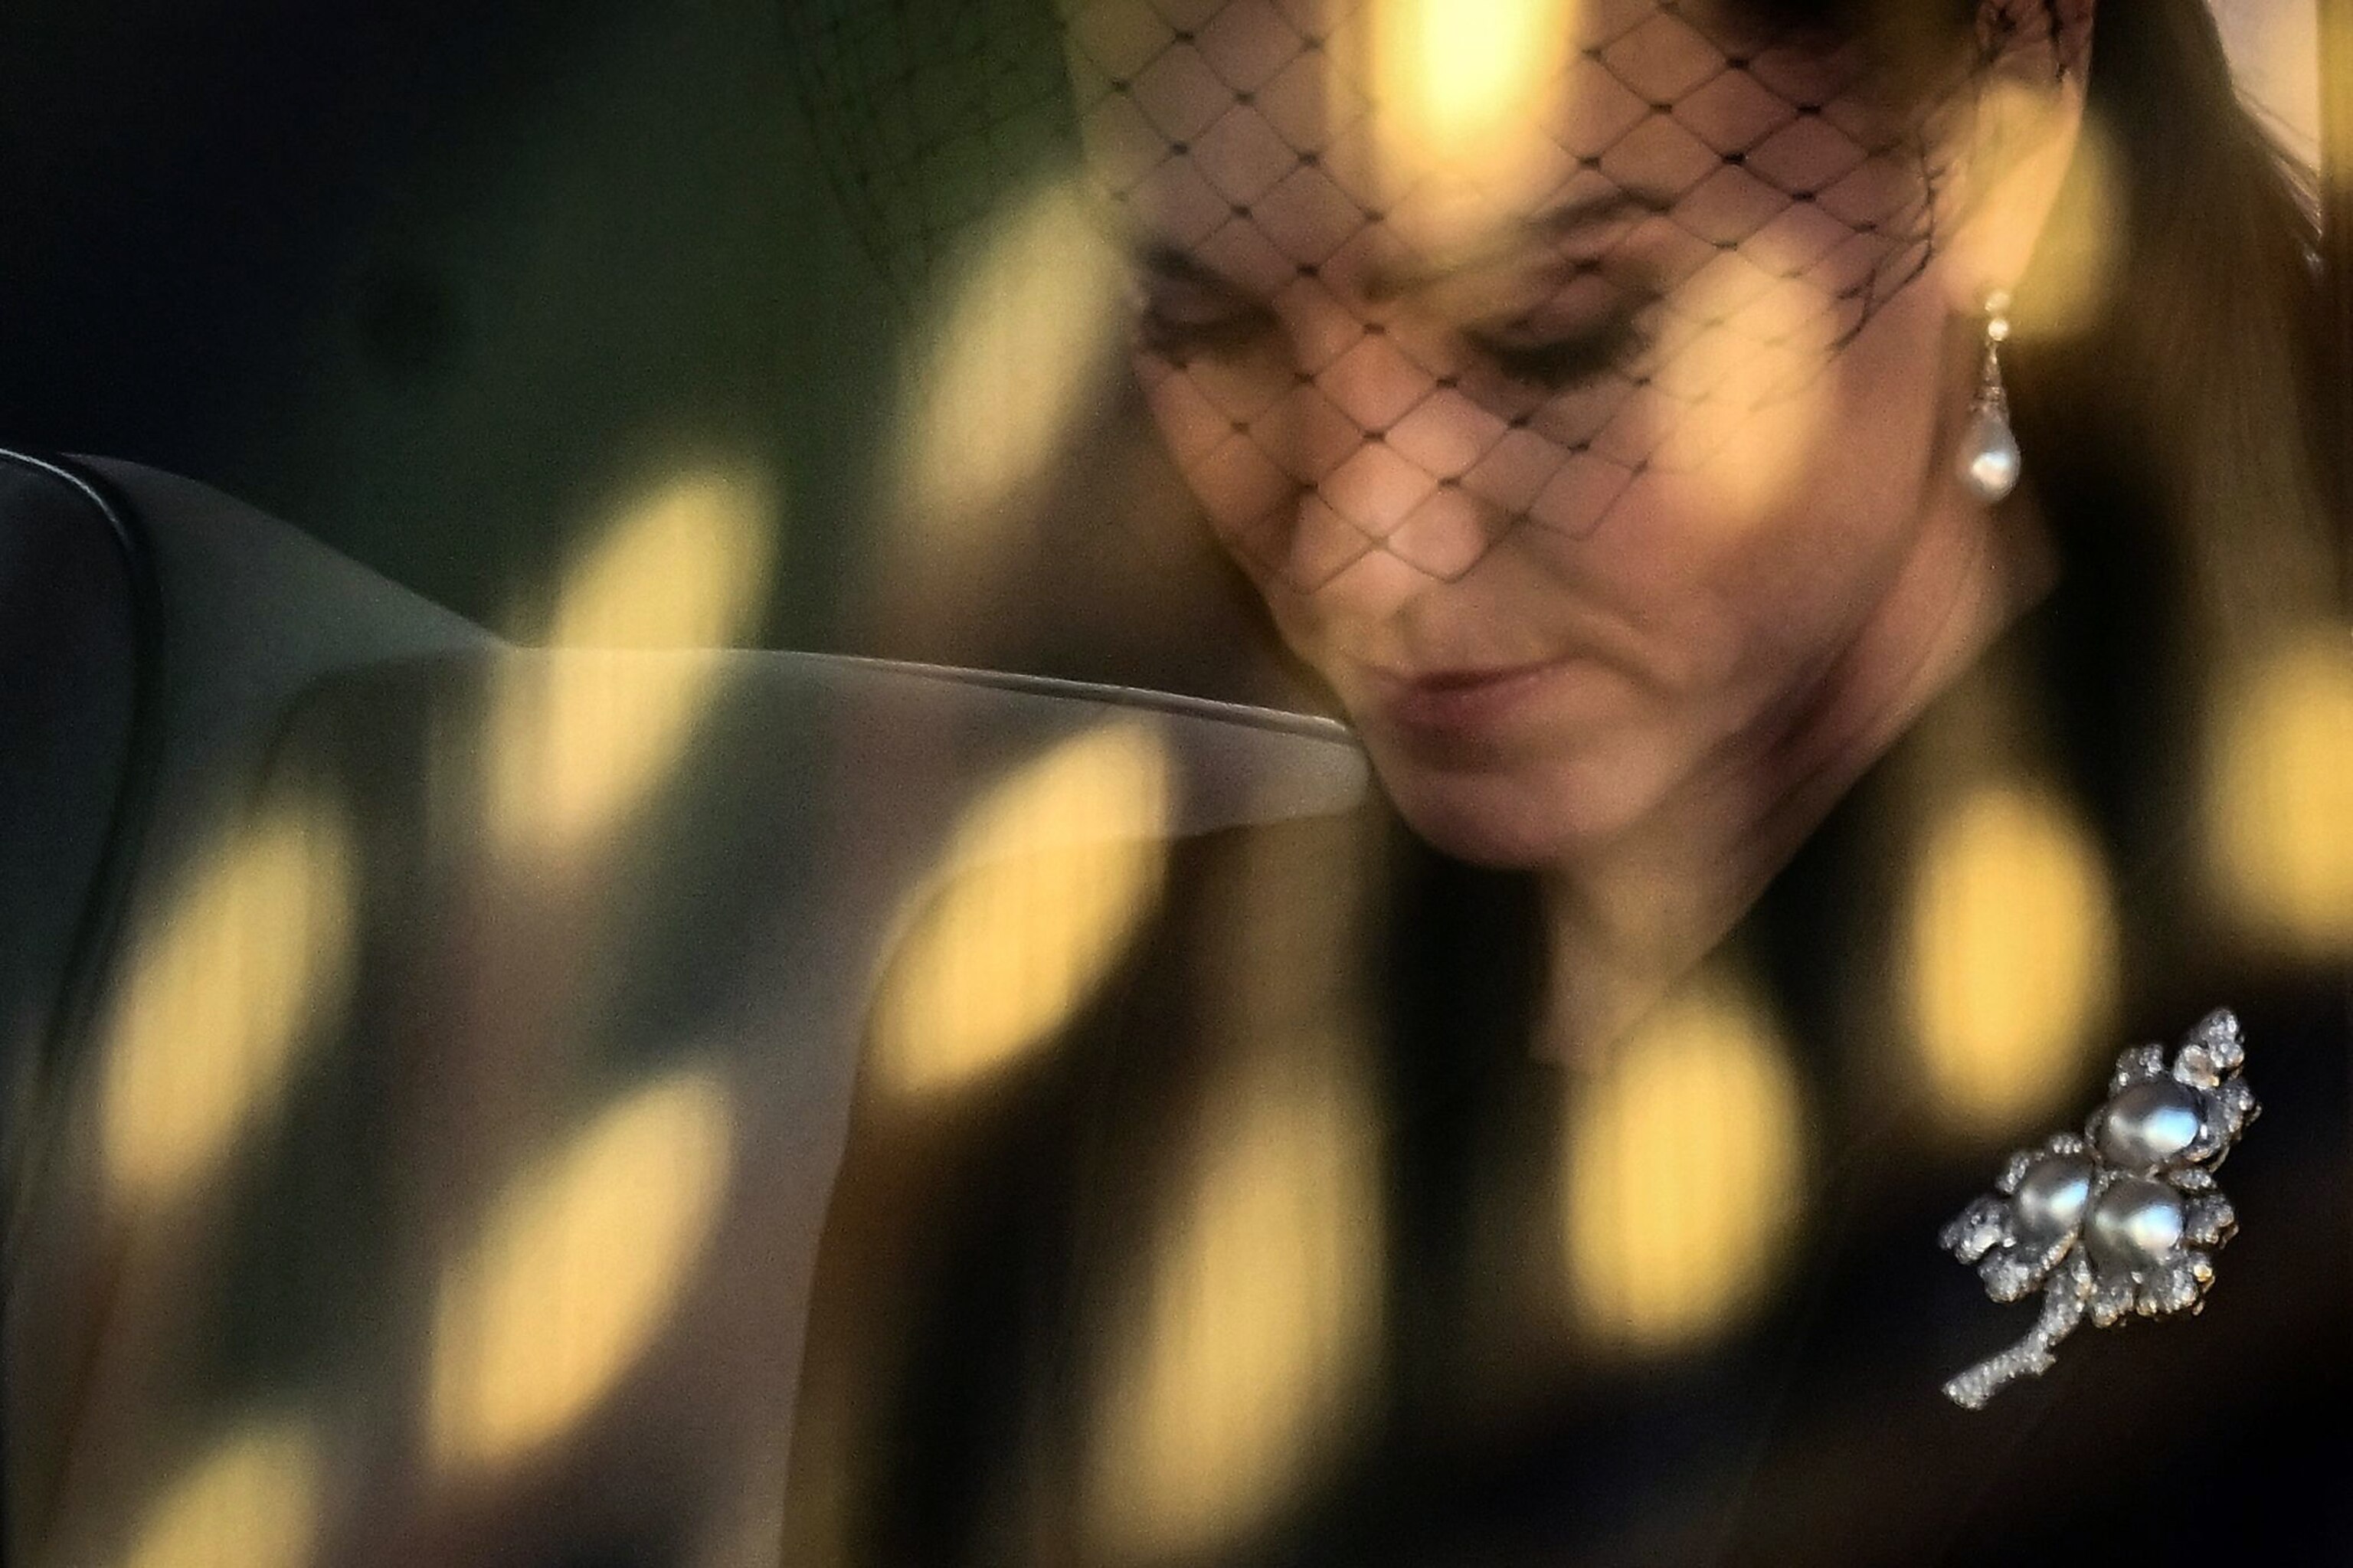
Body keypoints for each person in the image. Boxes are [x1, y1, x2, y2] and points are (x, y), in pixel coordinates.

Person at [787, 1, 2349, 1562]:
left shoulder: (2282, 973)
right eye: (1212, 327)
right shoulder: (1059, 1096)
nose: (1366, 554)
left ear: (1996, 132)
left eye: (1553, 323)